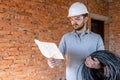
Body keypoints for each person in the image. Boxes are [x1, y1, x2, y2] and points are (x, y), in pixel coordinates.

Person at [47, 2, 104, 80]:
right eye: (72, 19)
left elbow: (103, 63)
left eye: (77, 18)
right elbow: (58, 58)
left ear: (85, 19)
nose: (74, 22)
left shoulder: (97, 38)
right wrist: (53, 62)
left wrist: (96, 65)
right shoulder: (65, 38)